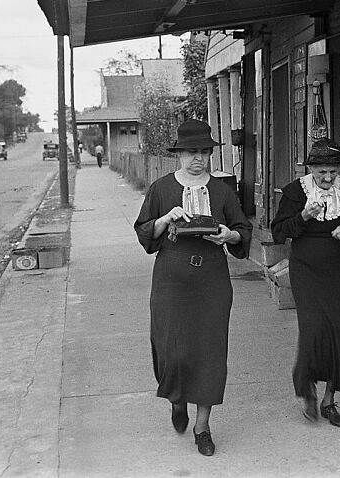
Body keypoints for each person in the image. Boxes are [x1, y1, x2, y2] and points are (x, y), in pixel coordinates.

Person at [134, 119, 252, 456]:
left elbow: (243, 231)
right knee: (170, 349)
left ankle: (202, 426)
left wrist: (228, 235)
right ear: (180, 154)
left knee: (209, 353)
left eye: (203, 151)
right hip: (171, 281)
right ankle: (176, 398)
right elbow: (144, 231)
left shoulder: (222, 191)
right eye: (191, 152)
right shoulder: (161, 189)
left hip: (211, 282)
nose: (197, 158)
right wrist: (165, 219)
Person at [271, 138, 340, 427]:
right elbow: (278, 231)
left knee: (339, 330)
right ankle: (307, 391)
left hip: (338, 268)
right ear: (311, 170)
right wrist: (303, 216)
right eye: (321, 173)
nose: (327, 179)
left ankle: (330, 400)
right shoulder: (294, 193)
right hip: (305, 268)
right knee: (314, 329)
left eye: (332, 172)